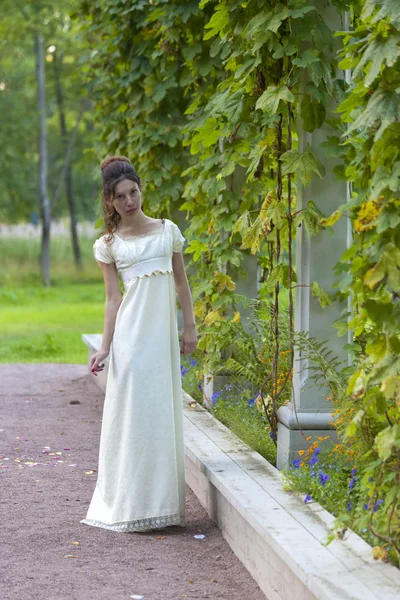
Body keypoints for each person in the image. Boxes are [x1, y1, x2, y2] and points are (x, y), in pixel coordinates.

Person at [80, 155, 198, 533]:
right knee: (131, 419)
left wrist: (190, 328)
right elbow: (113, 298)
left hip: (160, 341)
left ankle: (160, 507)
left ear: (141, 189)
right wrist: (105, 346)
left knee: (160, 416)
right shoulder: (108, 244)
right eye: (120, 197)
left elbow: (181, 283)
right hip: (130, 339)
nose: (130, 201)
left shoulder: (168, 231)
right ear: (110, 202)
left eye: (133, 192)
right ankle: (128, 504)